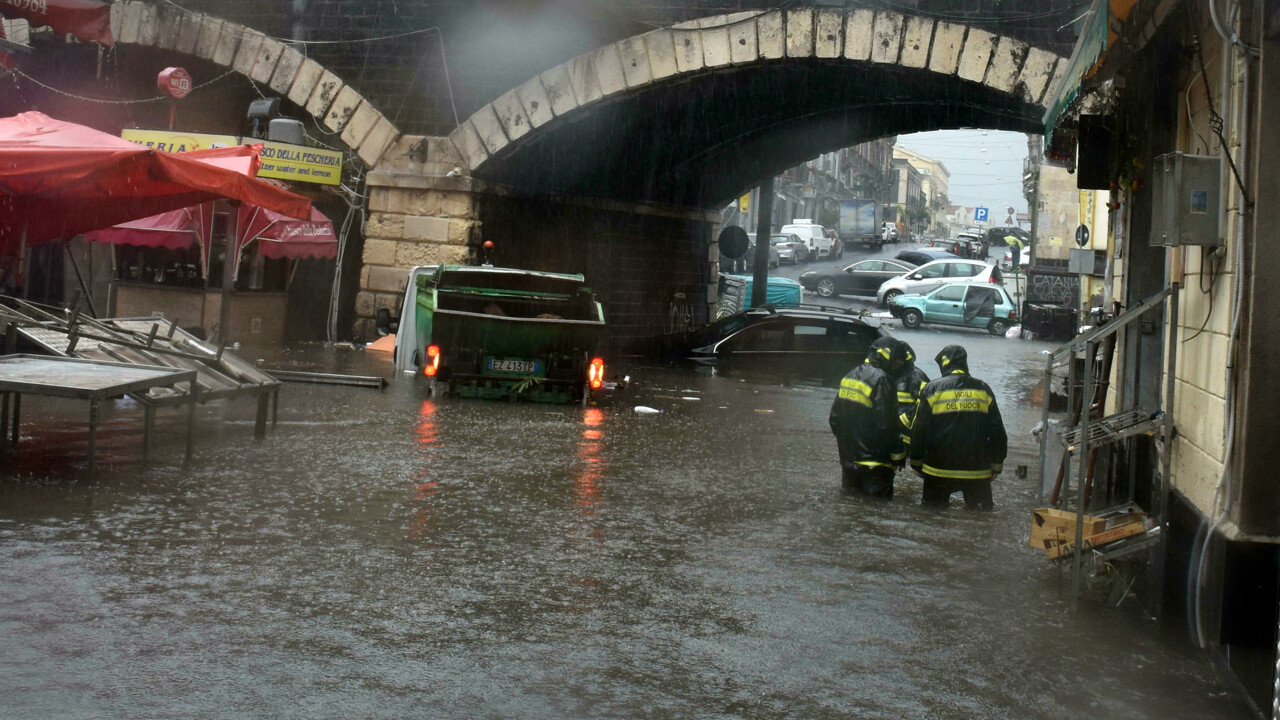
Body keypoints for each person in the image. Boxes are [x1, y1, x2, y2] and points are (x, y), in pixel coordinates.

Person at [909, 345, 1007, 510]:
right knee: (981, 518)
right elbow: (997, 432)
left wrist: (916, 463)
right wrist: (997, 465)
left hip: (937, 471)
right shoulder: (984, 389)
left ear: (944, 365)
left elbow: (919, 430)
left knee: (931, 516)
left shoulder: (932, 389)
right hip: (977, 471)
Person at [829, 337, 904, 498]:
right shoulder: (882, 379)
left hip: (849, 463)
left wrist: (849, 447)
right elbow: (887, 424)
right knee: (877, 514)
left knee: (850, 509)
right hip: (875, 465)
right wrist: (897, 455)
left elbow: (834, 419)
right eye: (897, 361)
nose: (898, 366)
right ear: (888, 356)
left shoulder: (850, 375)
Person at [887, 339, 929, 454]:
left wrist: (901, 419)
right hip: (898, 435)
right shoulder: (894, 375)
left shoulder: (916, 377)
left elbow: (925, 406)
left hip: (909, 437)